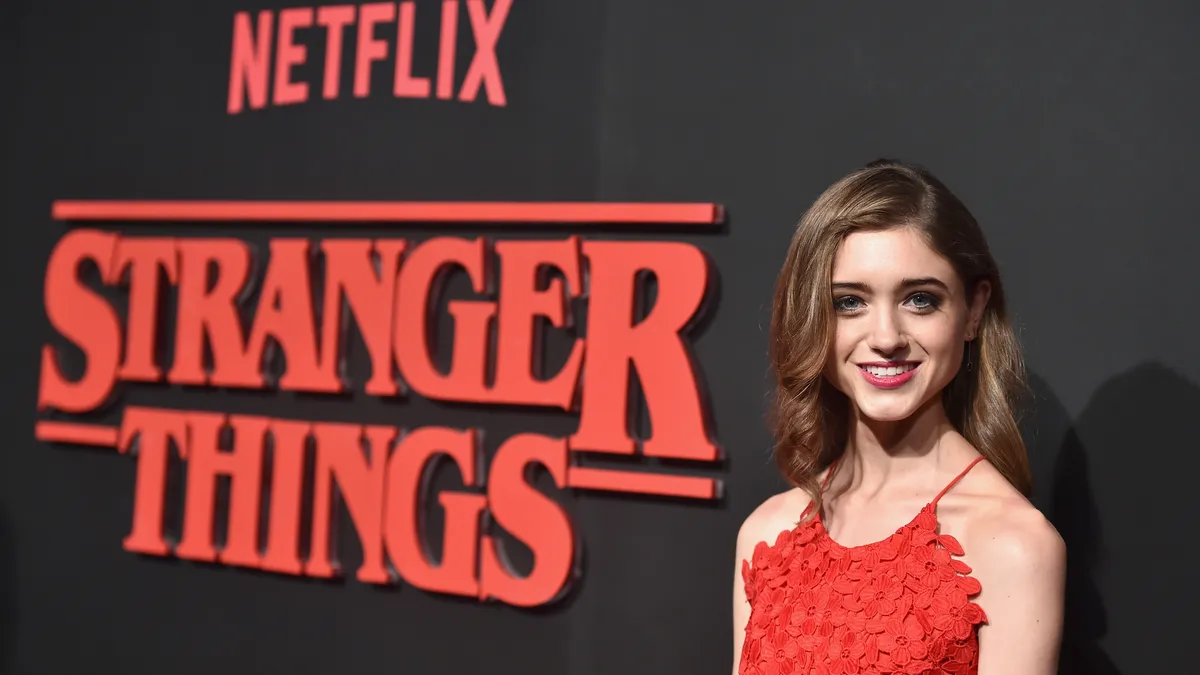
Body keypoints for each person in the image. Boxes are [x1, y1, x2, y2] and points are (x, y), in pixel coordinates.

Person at [732, 160, 1066, 675]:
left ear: (973, 311)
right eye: (849, 302)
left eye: (919, 300)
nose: (886, 337)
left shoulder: (1013, 546)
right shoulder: (766, 536)